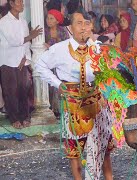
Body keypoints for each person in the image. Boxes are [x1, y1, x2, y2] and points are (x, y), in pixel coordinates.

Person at [35, 11, 113, 180]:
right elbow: (40, 66)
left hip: (97, 102)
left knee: (103, 148)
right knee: (75, 151)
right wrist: (58, 84)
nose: (83, 27)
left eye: (87, 23)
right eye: (79, 23)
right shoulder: (60, 49)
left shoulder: (98, 48)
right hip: (72, 104)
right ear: (70, 28)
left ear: (91, 26)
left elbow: (107, 73)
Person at [0, 0, 42, 129]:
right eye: (20, 2)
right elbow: (14, 41)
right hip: (7, 60)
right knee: (10, 91)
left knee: (23, 90)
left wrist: (25, 58)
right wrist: (31, 35)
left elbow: (26, 44)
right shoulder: (3, 22)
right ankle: (14, 118)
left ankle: (25, 116)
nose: (22, 5)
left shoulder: (23, 21)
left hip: (21, 60)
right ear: (12, 4)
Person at [44, 9, 69, 119]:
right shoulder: (44, 32)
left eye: (51, 18)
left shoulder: (63, 31)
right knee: (48, 85)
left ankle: (60, 110)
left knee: (59, 85)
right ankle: (49, 108)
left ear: (58, 21)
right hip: (48, 63)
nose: (48, 20)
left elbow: (67, 47)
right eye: (47, 18)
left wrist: (51, 48)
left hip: (60, 63)